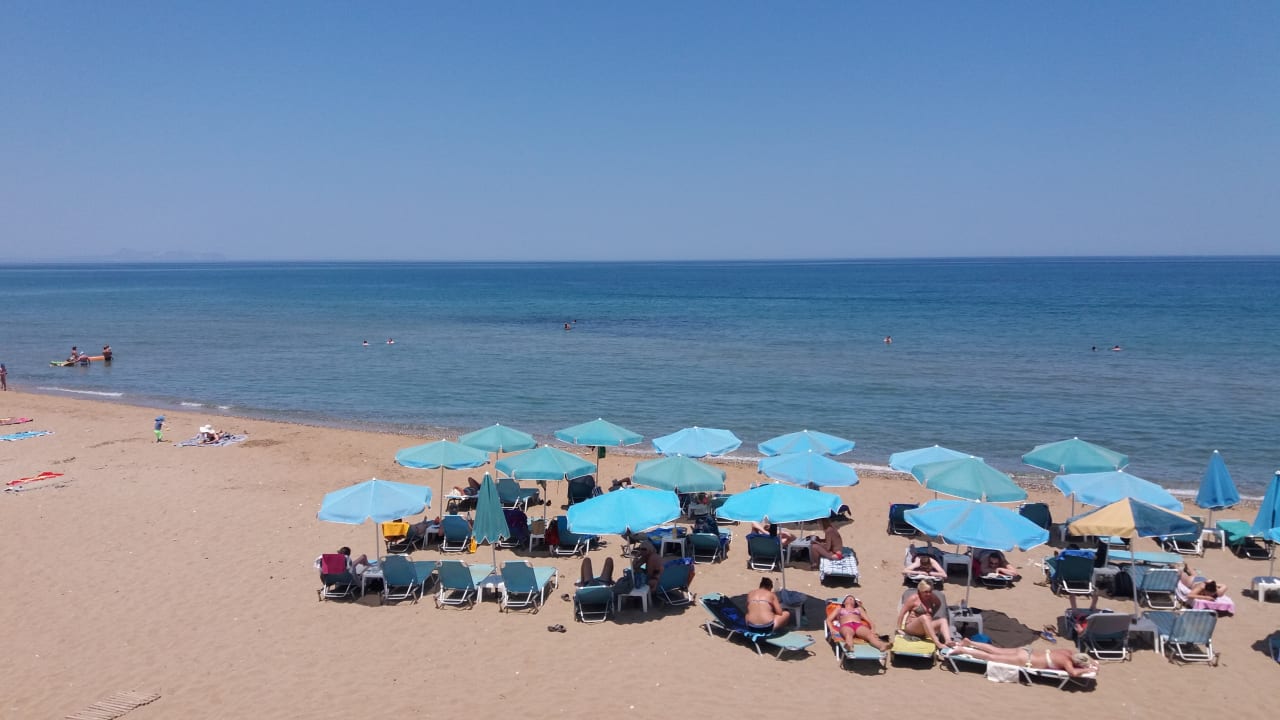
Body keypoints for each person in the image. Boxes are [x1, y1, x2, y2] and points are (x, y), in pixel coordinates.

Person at [949, 639, 1097, 678]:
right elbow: (1073, 673)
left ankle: (970, 643)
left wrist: (1091, 662)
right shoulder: (1066, 662)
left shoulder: (1067, 652)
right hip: (1026, 660)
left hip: (1026, 650)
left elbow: (1083, 659)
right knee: (991, 657)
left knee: (996, 650)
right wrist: (1089, 669)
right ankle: (963, 649)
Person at [898, 580, 952, 649]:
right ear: (920, 591)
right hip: (912, 628)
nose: (928, 594)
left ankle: (948, 641)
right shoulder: (913, 599)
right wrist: (899, 629)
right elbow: (902, 613)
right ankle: (937, 643)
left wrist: (932, 614)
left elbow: (938, 604)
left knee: (943, 620)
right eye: (926, 592)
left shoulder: (932, 597)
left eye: (930, 591)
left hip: (925, 629)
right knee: (923, 617)